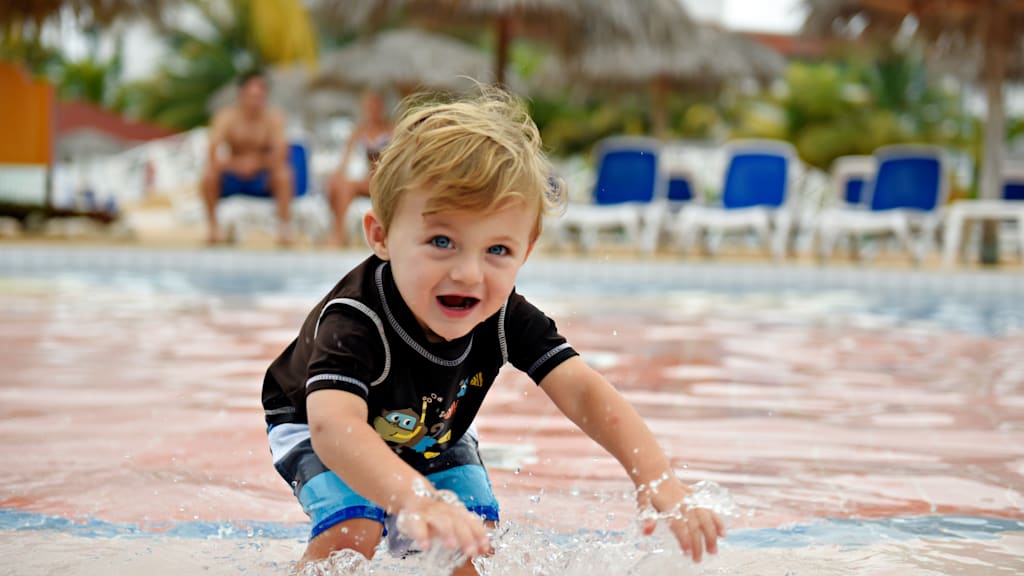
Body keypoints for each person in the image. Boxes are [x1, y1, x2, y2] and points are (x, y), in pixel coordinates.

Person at [261, 89, 725, 574]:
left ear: (527, 248)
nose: (468, 273)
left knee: (467, 543)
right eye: (442, 241)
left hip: (432, 426)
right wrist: (415, 496)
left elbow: (584, 391)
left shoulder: (502, 316)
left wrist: (656, 477)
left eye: (497, 250)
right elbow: (334, 428)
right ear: (380, 235)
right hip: (314, 422)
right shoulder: (356, 321)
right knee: (353, 528)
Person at [200, 69, 292, 245]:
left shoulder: (273, 119)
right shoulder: (226, 117)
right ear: (241, 94)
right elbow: (212, 152)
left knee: (283, 174)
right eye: (251, 95)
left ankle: (284, 229)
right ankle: (213, 228)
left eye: (259, 96)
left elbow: (281, 154)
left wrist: (257, 163)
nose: (255, 101)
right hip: (233, 175)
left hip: (261, 176)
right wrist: (236, 164)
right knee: (209, 175)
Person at [326, 90, 393, 246]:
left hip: (385, 180)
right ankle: (339, 232)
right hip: (367, 180)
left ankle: (339, 234)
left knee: (346, 186)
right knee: (337, 184)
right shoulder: (359, 131)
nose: (372, 110)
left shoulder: (392, 130)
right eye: (369, 106)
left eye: (375, 105)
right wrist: (337, 176)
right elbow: (345, 162)